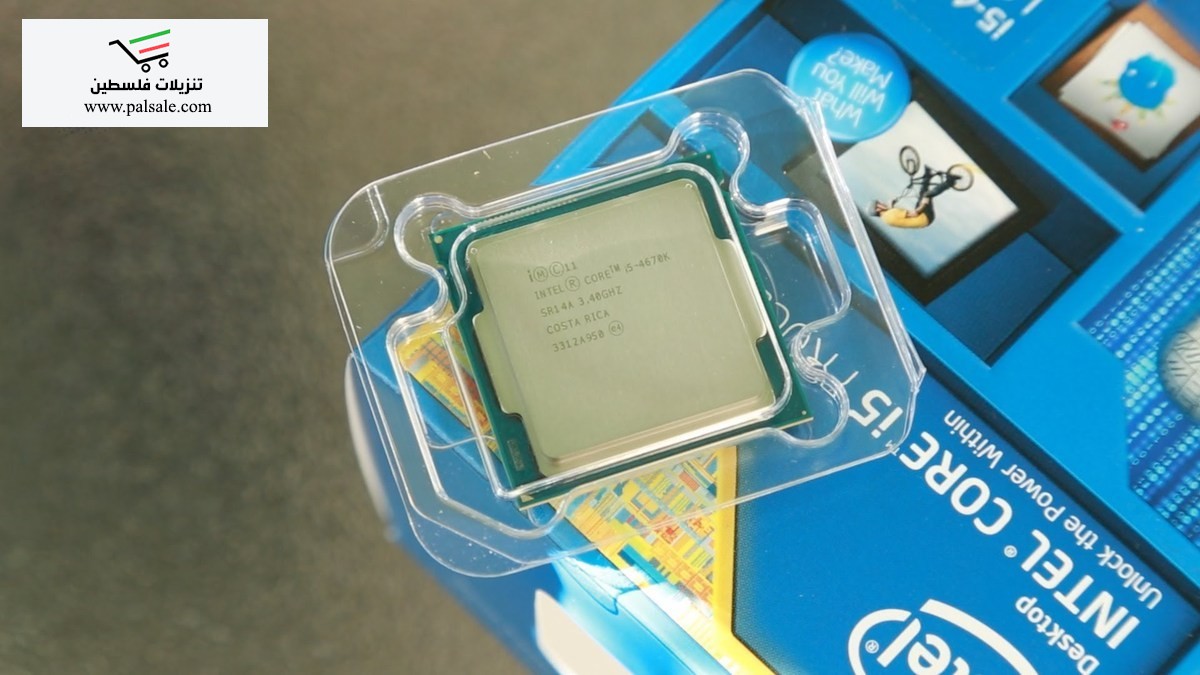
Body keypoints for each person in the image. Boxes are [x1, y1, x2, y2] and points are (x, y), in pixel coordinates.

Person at [872, 165, 961, 229]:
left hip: (922, 219)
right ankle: (950, 181)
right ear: (878, 209)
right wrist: (924, 203)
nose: (881, 202)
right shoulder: (890, 215)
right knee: (927, 195)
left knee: (922, 193)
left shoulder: (886, 218)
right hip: (925, 217)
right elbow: (915, 213)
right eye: (879, 203)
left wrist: (891, 205)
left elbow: (895, 215)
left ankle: (927, 175)